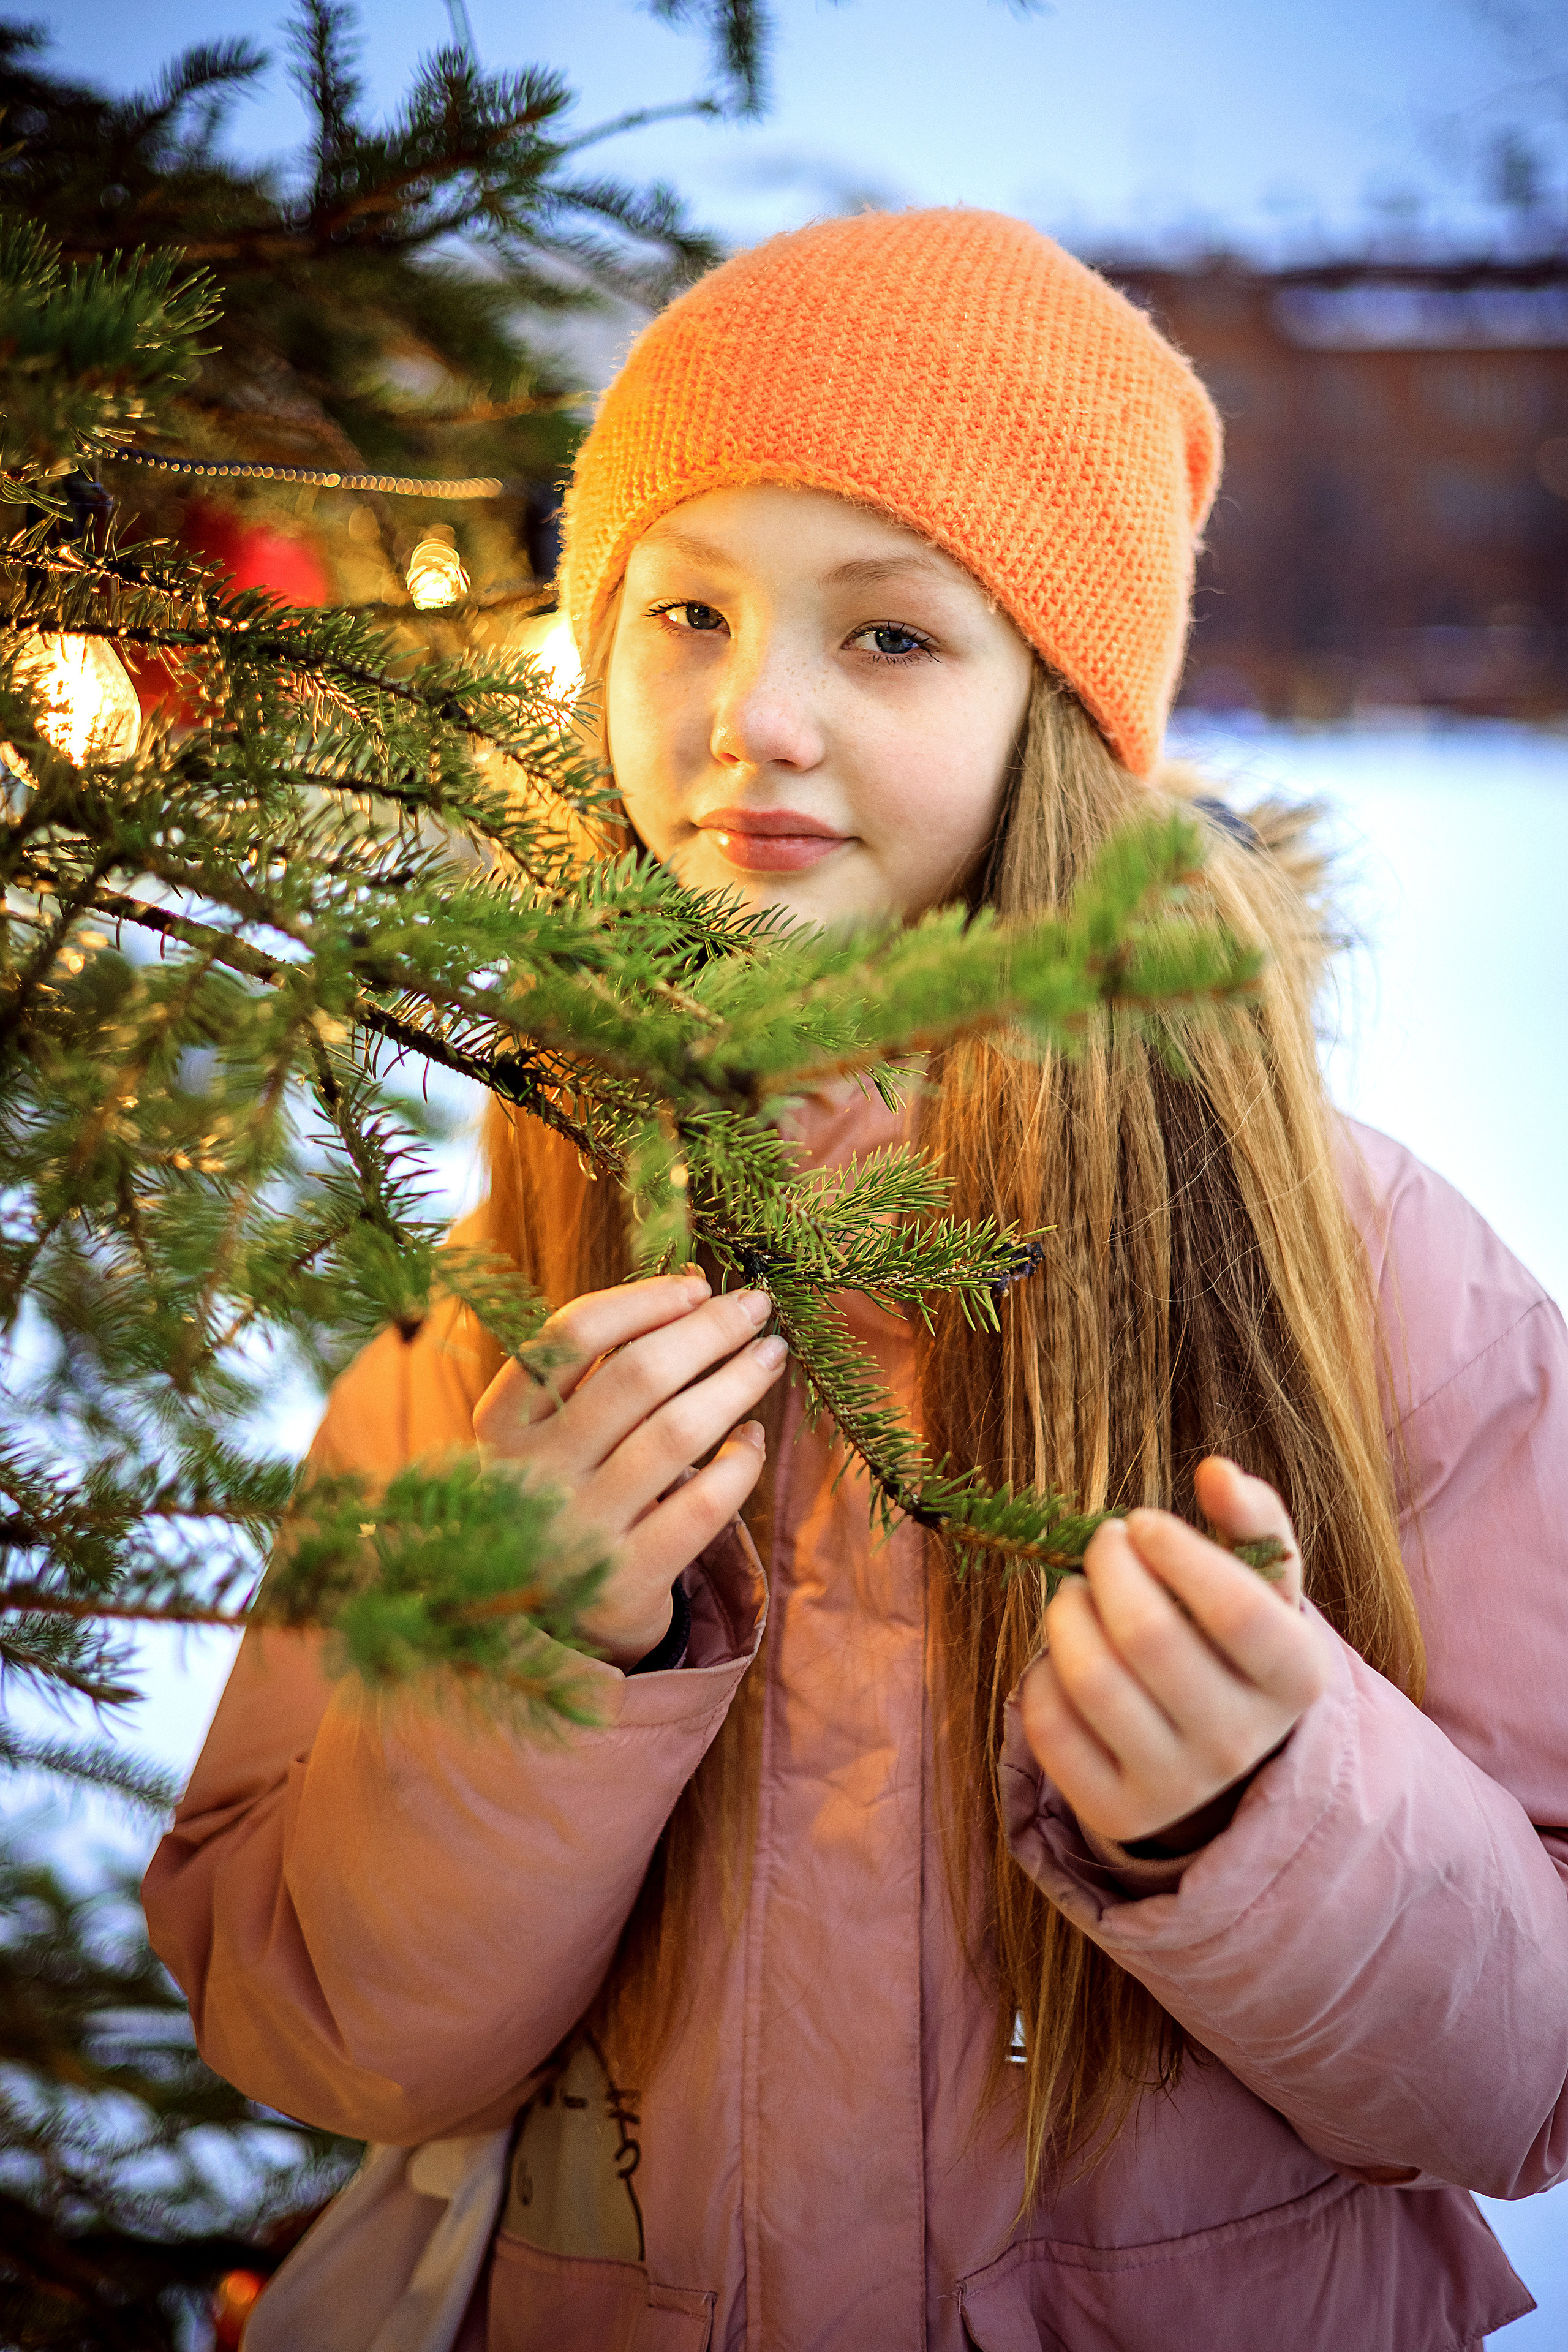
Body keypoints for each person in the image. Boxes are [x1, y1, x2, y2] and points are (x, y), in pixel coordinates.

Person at [142, 209, 1568, 2352]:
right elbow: (314, 2024)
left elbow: (1527, 2074)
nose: (756, 719)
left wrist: (1271, 1814)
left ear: (1058, 711)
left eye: (890, 636)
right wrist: (527, 1656)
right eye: (688, 612)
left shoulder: (1358, 1270)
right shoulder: (519, 1277)